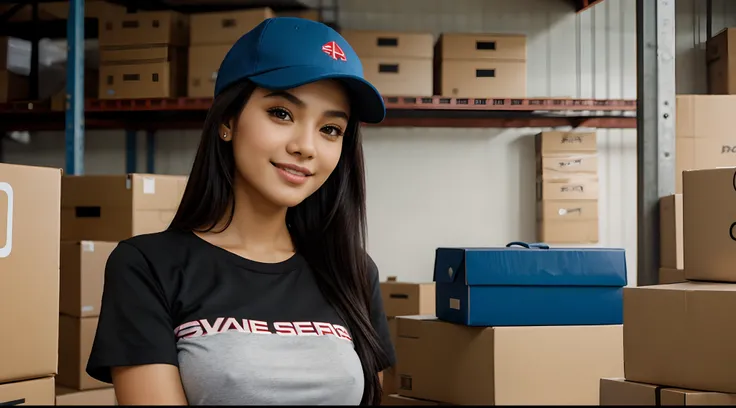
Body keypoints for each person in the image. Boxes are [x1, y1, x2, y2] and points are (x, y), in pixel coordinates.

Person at [85, 16, 396, 406]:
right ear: (228, 121)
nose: (307, 146)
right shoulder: (147, 267)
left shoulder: (352, 271)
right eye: (282, 113)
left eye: (330, 129)